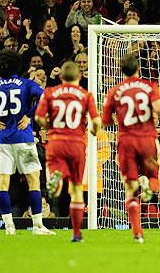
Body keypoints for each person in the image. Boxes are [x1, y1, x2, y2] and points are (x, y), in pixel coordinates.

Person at [0, 49, 54, 235]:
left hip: (2, 140)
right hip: (24, 138)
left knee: (3, 183)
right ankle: (38, 226)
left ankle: (8, 227)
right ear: (17, 64)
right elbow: (46, 97)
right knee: (33, 181)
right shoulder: (25, 84)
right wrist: (28, 115)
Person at [102, 53, 160, 243]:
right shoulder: (149, 87)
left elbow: (106, 120)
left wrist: (121, 121)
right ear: (138, 69)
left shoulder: (115, 91)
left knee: (130, 188)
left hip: (126, 141)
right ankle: (148, 185)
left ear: (121, 70)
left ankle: (137, 234)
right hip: (147, 139)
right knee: (155, 179)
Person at [35, 61, 101, 242]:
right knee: (77, 189)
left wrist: (50, 125)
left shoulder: (50, 92)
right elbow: (96, 122)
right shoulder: (85, 95)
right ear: (79, 77)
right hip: (77, 144)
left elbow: (39, 117)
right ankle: (77, 233)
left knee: (56, 192)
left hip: (56, 142)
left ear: (61, 77)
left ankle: (56, 178)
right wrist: (94, 131)